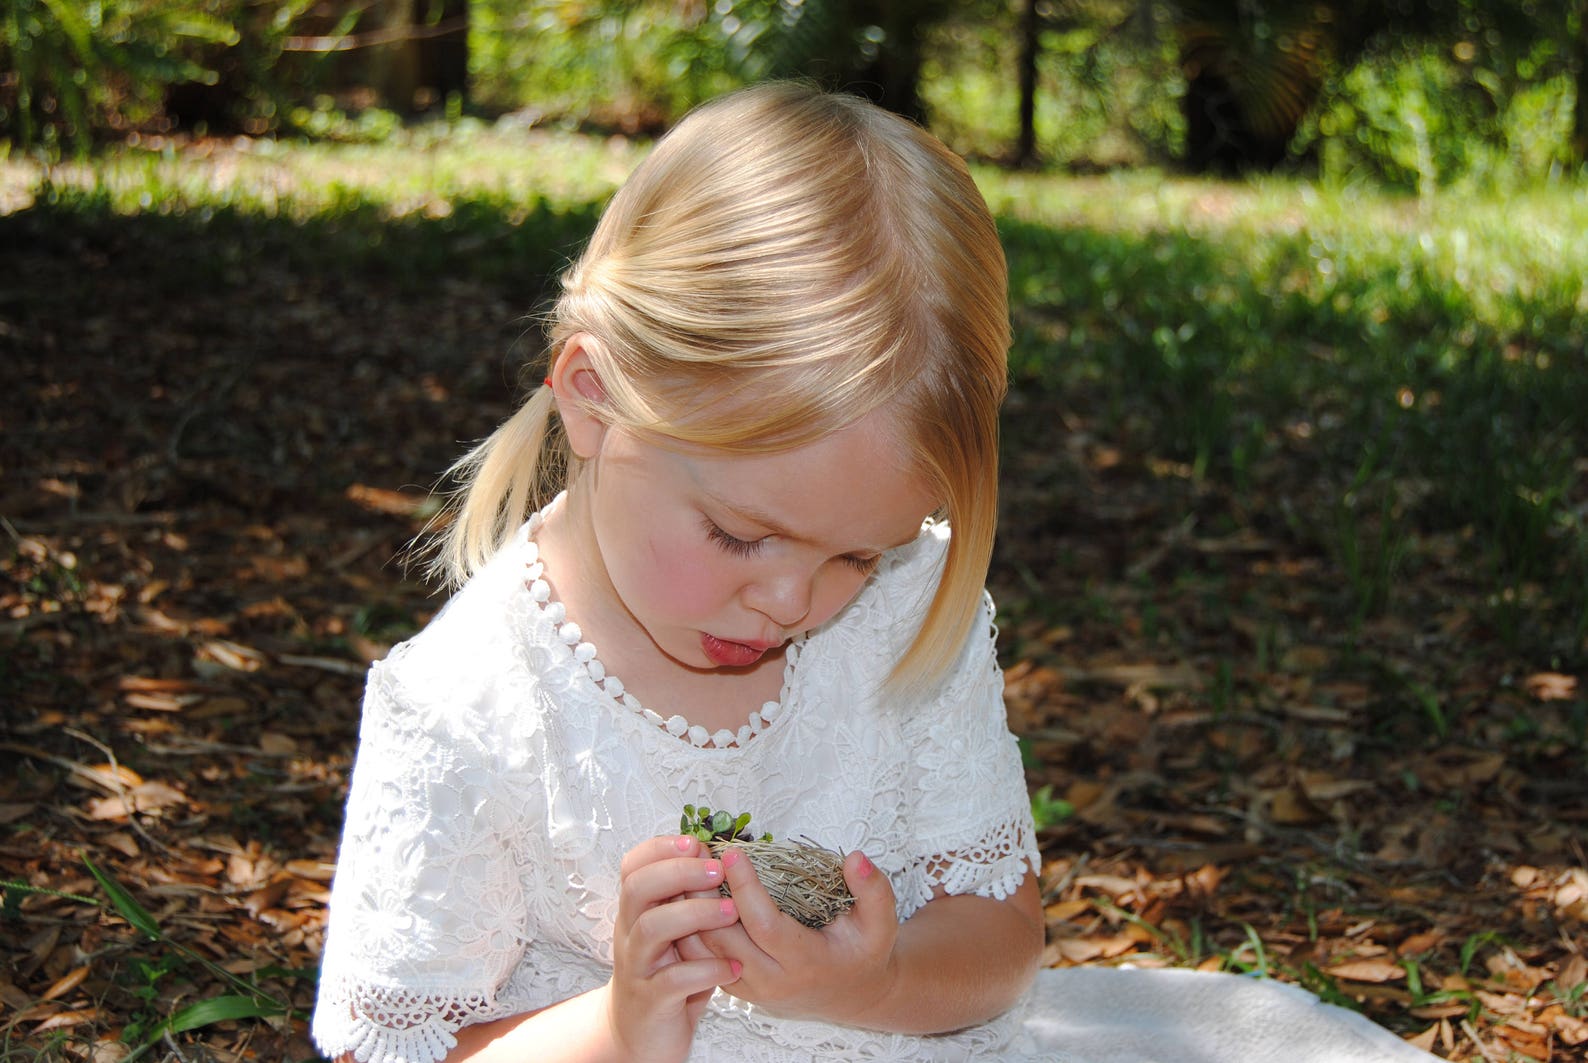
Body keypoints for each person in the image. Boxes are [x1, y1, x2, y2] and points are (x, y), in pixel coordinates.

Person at [311, 82, 1436, 1063]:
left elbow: (996, 941)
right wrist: (624, 1023)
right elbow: (398, 1041)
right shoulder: (467, 706)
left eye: (858, 549)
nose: (796, 600)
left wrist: (872, 982)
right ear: (593, 398)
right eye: (742, 537)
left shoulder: (901, 612)